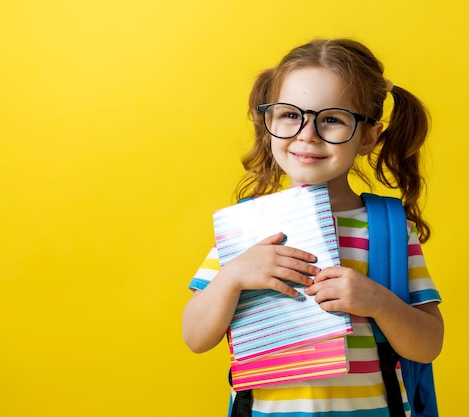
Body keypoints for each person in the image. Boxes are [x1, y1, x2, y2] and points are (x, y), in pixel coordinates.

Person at [182, 38, 443, 417]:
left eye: (332, 119)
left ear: (369, 136)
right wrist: (233, 276)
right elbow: (195, 337)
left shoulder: (387, 229)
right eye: (290, 115)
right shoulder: (247, 229)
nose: (307, 134)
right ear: (269, 121)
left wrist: (377, 302)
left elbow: (429, 344)